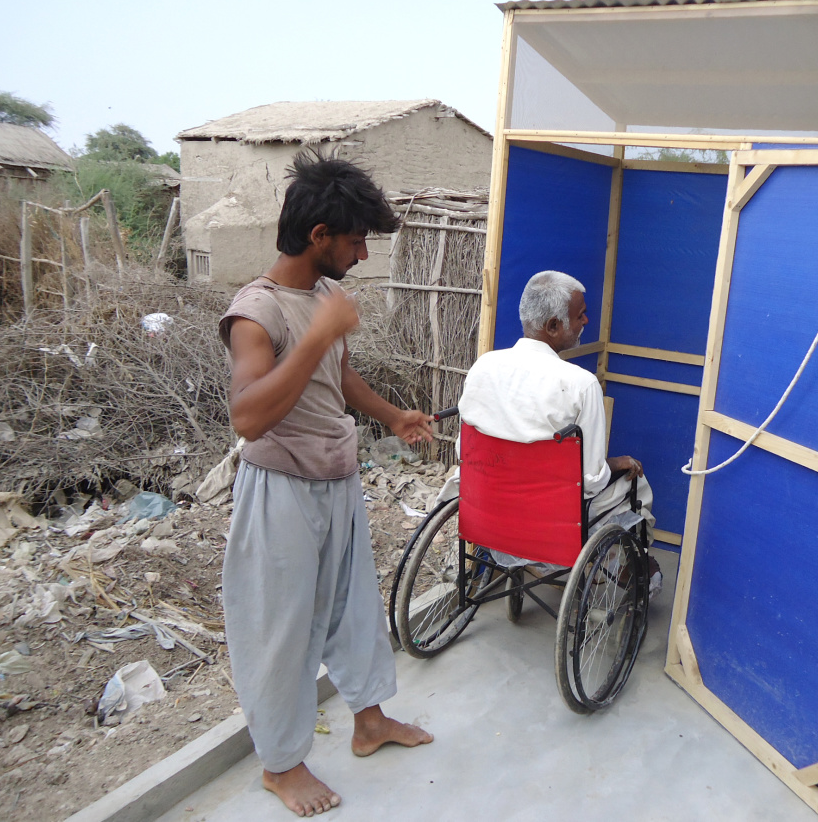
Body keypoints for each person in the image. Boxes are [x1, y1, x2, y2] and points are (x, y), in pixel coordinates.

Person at [219, 150, 434, 817]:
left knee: (354, 609)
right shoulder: (256, 312)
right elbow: (249, 417)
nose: (363, 255)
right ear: (319, 239)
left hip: (336, 479)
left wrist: (393, 415)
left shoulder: (318, 300)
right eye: (355, 240)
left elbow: (335, 378)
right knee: (280, 628)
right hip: (281, 490)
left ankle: (369, 724)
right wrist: (318, 335)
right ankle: (281, 766)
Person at [454, 270, 661, 590]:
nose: (586, 322)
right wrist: (617, 463)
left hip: (488, 505)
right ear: (553, 325)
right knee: (637, 485)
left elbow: (462, 452)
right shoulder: (580, 384)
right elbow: (591, 482)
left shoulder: (484, 366)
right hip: (549, 518)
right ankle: (634, 566)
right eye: (580, 316)